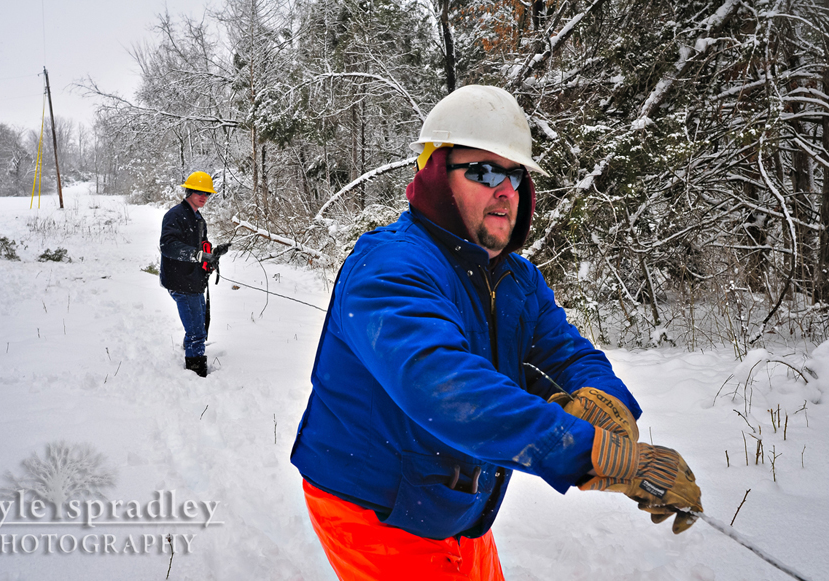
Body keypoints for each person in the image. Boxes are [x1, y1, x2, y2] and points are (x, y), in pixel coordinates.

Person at [290, 85, 703, 580]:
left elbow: (569, 353)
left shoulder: (516, 278)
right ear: (436, 176)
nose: (505, 189)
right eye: (484, 171)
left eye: (514, 174)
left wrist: (607, 407)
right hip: (374, 503)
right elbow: (444, 388)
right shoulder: (390, 266)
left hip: (453, 502)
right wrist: (590, 452)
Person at [160, 171, 227, 377]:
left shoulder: (198, 217)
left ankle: (189, 346)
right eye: (200, 192)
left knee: (200, 323)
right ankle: (196, 371)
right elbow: (168, 246)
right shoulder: (175, 215)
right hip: (180, 281)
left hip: (194, 280)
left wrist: (212, 256)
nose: (204, 197)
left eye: (208, 194)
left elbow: (201, 247)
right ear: (189, 191)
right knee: (197, 331)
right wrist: (198, 256)